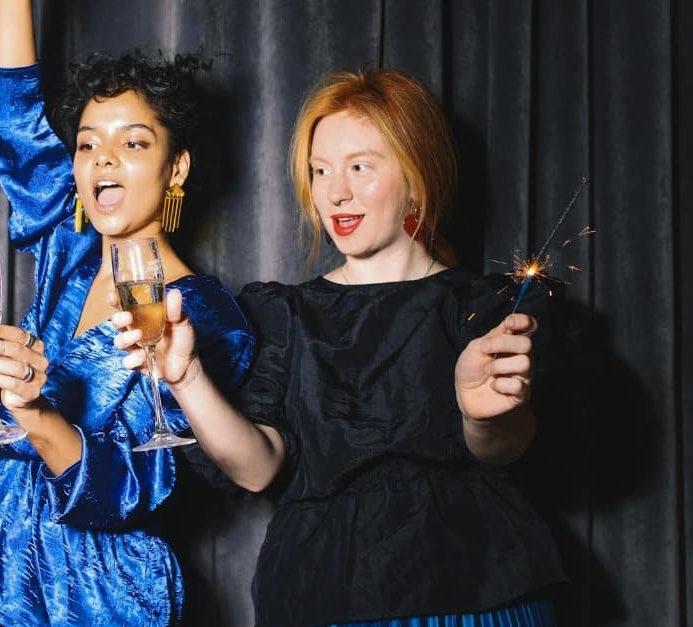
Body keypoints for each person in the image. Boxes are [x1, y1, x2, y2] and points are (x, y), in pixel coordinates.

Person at [115, 69, 564, 625]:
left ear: (417, 173)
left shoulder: (485, 306)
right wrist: (187, 380)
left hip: (473, 593)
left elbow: (508, 448)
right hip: (319, 593)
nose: (335, 192)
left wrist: (482, 418)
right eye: (320, 170)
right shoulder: (282, 313)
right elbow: (257, 470)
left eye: (359, 167)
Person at [0, 0, 254, 624]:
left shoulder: (205, 316)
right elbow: (13, 117)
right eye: (88, 145)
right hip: (5, 580)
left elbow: (133, 488)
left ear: (177, 167)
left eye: (134, 143)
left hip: (110, 597)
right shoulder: (70, 246)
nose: (104, 160)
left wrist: (33, 412)